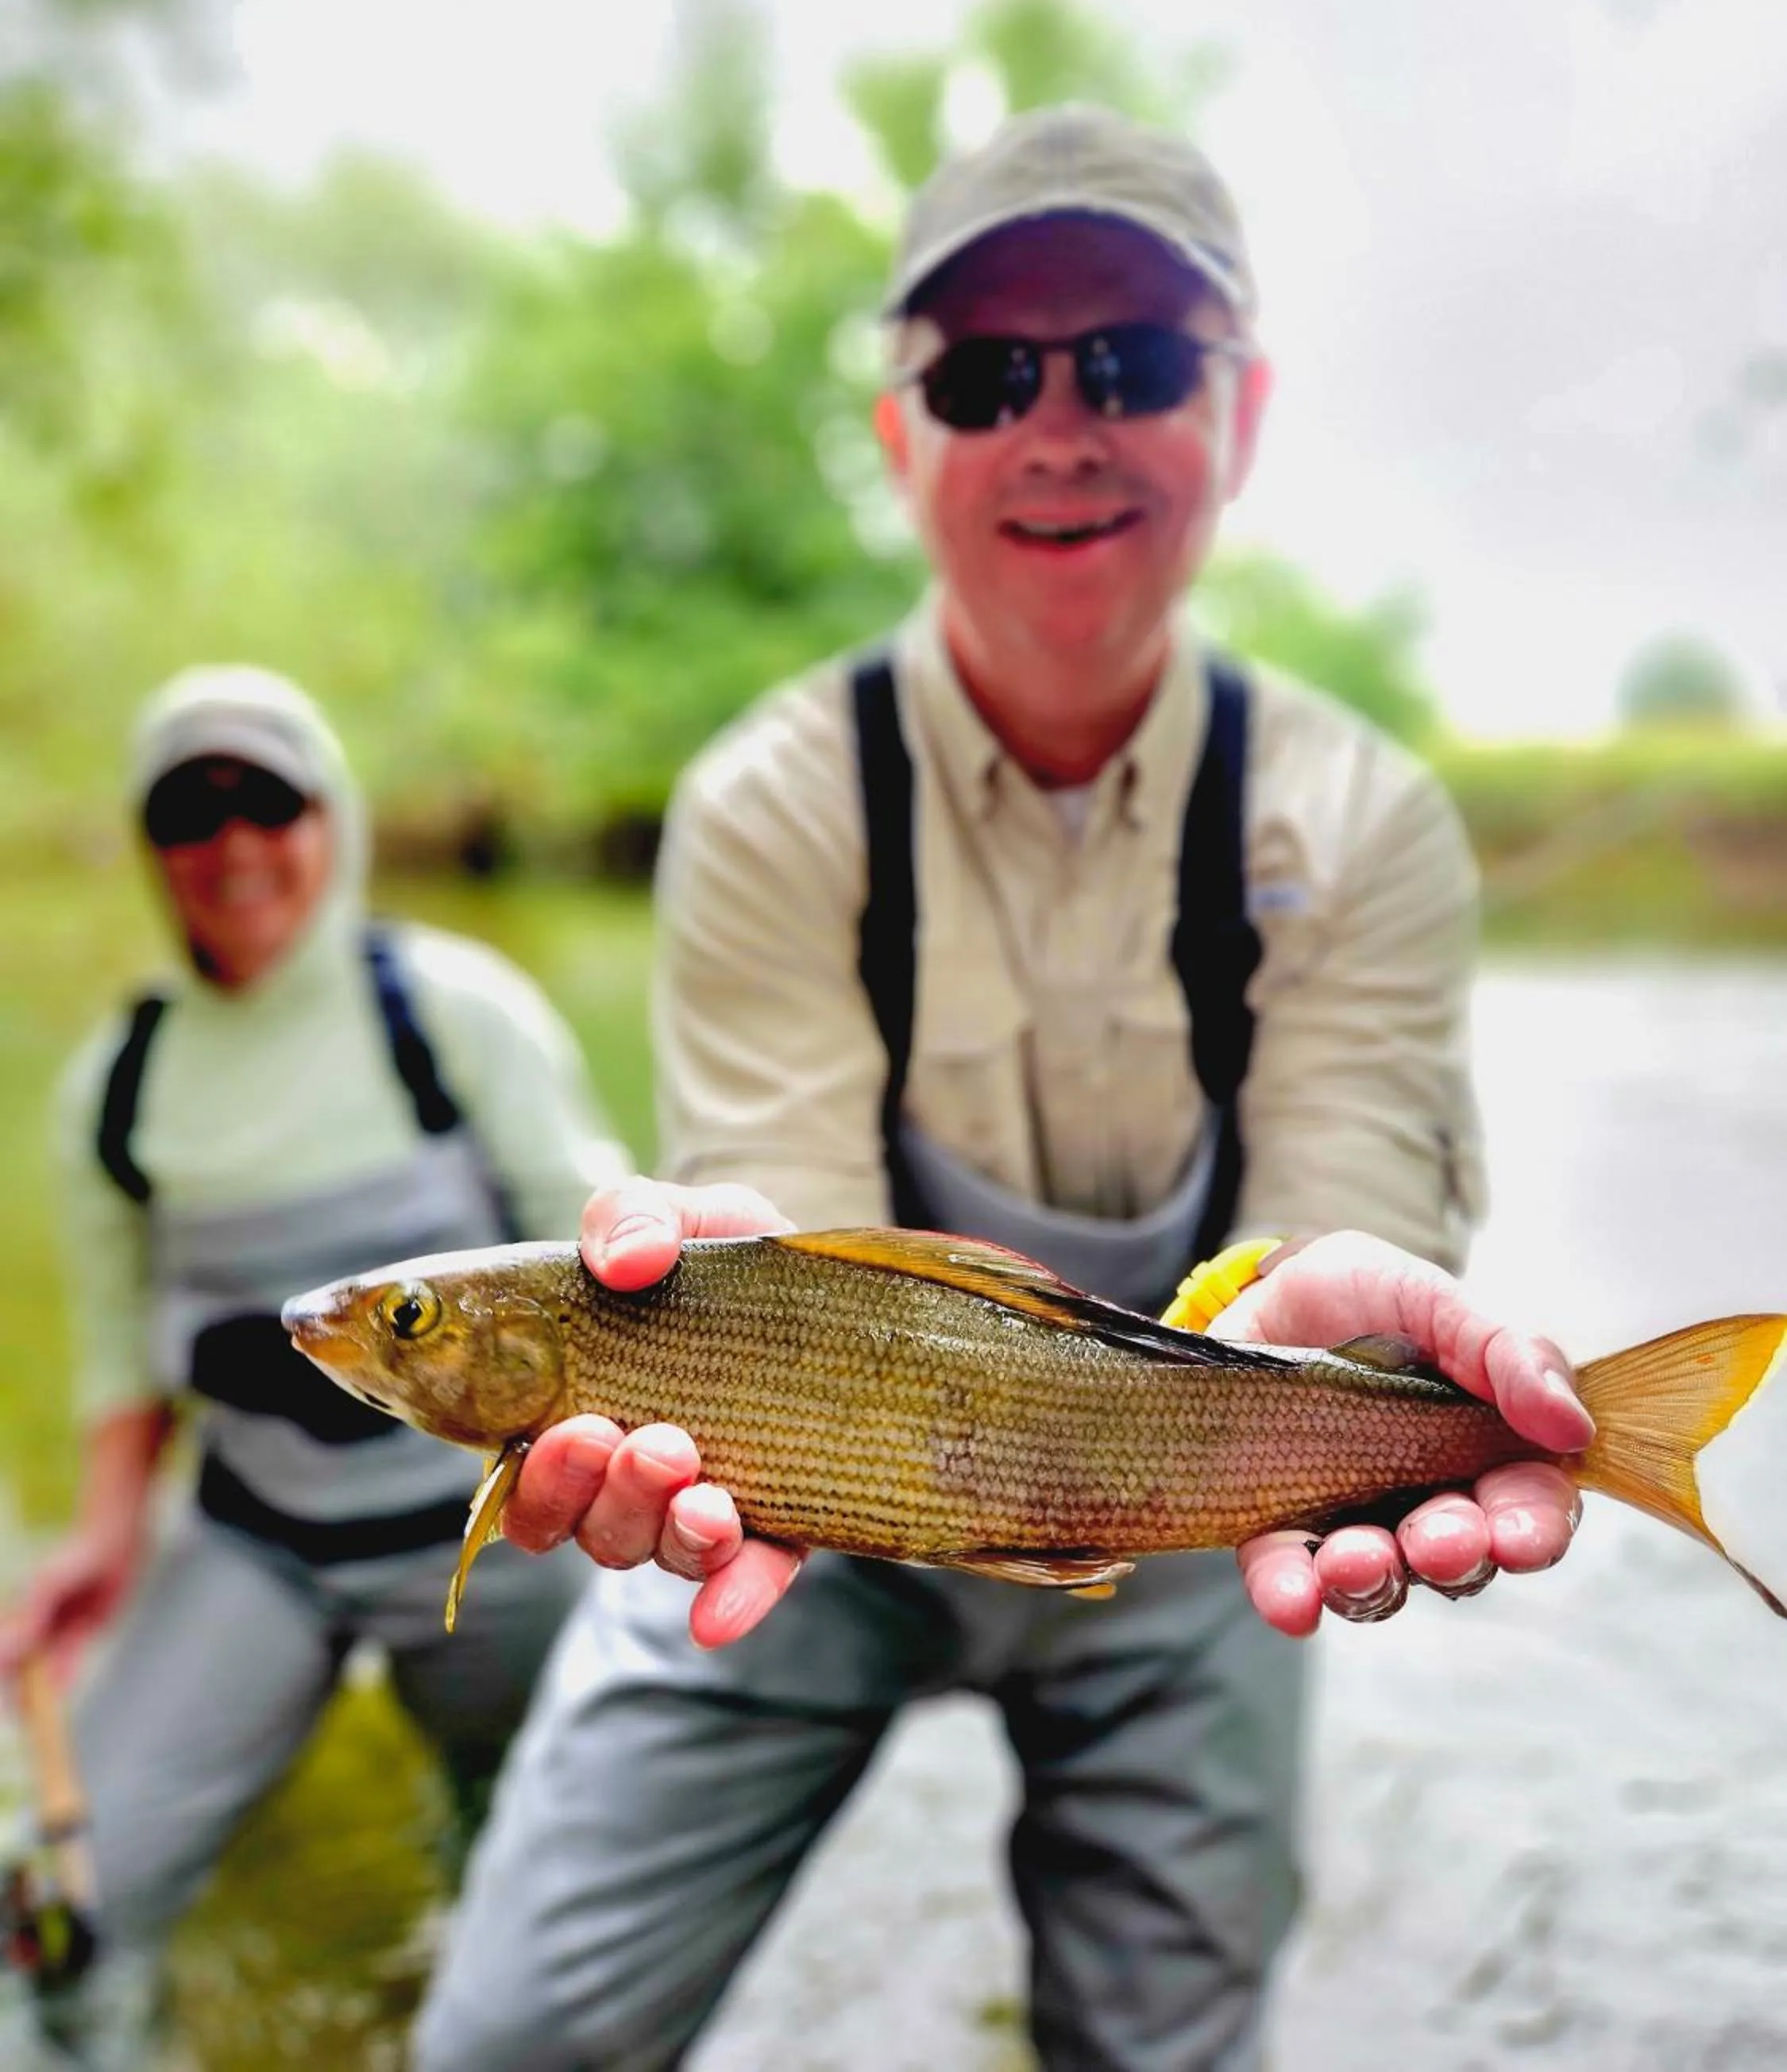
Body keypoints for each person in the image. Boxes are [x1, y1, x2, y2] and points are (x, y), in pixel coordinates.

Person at [413, 106, 1590, 2072]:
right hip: (789, 1493)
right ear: (901, 439)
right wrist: (715, 1303)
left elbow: (1345, 1182)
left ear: (1242, 414)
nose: (1059, 424)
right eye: (983, 374)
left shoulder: (1365, 818)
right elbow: (771, 1239)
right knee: (507, 2045)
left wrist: (1334, 1314)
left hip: (1201, 1515)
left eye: (1129, 362)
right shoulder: (770, 800)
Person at [0, 665, 630, 2068]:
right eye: (189, 807)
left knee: (565, 1890)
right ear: (150, 841)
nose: (231, 844)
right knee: (62, 1899)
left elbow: (613, 1260)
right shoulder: (118, 1078)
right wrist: (100, 1547)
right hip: (257, 1540)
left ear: (328, 816)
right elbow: (122, 1354)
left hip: (493, 1537)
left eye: (264, 799)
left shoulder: (455, 1014)